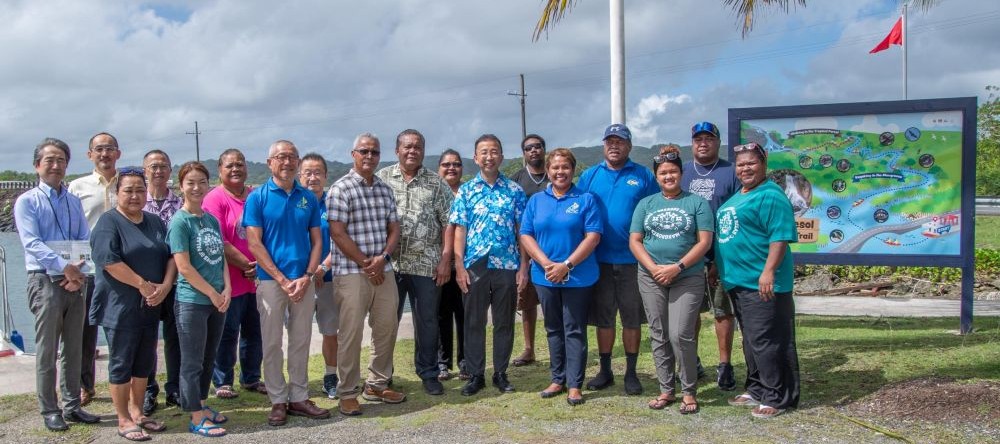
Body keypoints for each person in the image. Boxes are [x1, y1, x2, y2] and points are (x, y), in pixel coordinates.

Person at [14, 138, 101, 431]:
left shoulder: (73, 200)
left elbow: (83, 240)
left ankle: (73, 404)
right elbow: (31, 243)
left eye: (61, 160)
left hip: (76, 281)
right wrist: (63, 266)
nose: (55, 165)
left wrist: (78, 273)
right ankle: (49, 409)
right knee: (47, 349)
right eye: (49, 160)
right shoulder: (27, 201)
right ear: (37, 165)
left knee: (74, 348)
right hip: (45, 280)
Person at [244, 140, 330, 426]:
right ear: (270, 162)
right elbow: (255, 244)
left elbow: (317, 240)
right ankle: (278, 400)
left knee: (301, 340)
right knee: (271, 343)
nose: (287, 162)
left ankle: (299, 396)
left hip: (303, 281)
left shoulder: (308, 197)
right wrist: (281, 279)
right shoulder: (258, 197)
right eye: (281, 157)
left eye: (292, 157)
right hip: (271, 282)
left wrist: (307, 275)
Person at [90, 167, 175, 441]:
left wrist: (164, 286)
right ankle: (123, 418)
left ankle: (138, 412)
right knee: (121, 362)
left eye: (140, 189)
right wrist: (142, 284)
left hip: (150, 305)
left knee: (145, 361)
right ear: (117, 193)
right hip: (120, 307)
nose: (135, 195)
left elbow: (171, 256)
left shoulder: (154, 221)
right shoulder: (108, 222)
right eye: (128, 190)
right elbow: (110, 262)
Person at [716, 142, 800, 419]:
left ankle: (776, 396)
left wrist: (768, 271)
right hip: (737, 281)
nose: (745, 168)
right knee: (750, 340)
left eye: (751, 163)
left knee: (767, 340)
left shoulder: (771, 195)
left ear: (763, 164)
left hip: (761, 282)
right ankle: (756, 387)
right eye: (740, 164)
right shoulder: (740, 195)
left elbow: (780, 236)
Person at [629, 146, 714, 414]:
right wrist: (654, 267)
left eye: (673, 171)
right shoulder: (646, 204)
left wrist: (677, 267)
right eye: (663, 172)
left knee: (681, 334)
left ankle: (689, 391)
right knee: (659, 333)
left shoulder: (696, 203)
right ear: (656, 176)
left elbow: (705, 242)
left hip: (686, 276)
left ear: (681, 173)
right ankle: (666, 389)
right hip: (651, 276)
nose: (668, 176)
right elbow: (635, 240)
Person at [577, 124, 658, 395]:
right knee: (604, 319)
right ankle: (605, 370)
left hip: (633, 260)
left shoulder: (643, 175)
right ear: (603, 145)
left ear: (629, 146)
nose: (614, 146)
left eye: (620, 141)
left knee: (631, 319)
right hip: (598, 260)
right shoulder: (590, 176)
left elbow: (655, 212)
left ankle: (632, 373)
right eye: (610, 141)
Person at [328, 133, 405, 416]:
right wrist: (365, 263)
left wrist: (382, 258)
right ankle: (347, 391)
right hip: (351, 273)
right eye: (364, 151)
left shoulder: (385, 189)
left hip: (383, 270)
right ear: (353, 154)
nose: (370, 156)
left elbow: (394, 228)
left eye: (374, 152)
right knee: (351, 333)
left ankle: (376, 384)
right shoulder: (340, 189)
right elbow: (337, 232)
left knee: (386, 328)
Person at [519, 148, 601, 406]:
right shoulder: (536, 201)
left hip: (578, 277)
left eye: (565, 167)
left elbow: (593, 236)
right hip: (544, 277)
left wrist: (566, 264)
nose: (560, 172)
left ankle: (574, 384)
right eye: (555, 168)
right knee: (553, 328)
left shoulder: (586, 199)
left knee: (574, 329)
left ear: (573, 170)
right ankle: (558, 378)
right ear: (548, 170)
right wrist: (545, 264)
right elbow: (526, 234)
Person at [376, 129, 454, 396]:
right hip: (390, 266)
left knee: (427, 321)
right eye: (407, 147)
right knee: (386, 321)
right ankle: (381, 375)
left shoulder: (436, 183)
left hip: (427, 265)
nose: (412, 151)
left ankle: (429, 372)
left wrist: (446, 260)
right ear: (397, 150)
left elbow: (449, 224)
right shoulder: (382, 178)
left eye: (418, 147)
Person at [450, 134, 528, 396]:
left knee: (504, 320)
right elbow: (459, 230)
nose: (489, 157)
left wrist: (523, 266)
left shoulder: (514, 191)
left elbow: (521, 231)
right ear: (475, 158)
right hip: (475, 264)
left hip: (507, 263)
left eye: (494, 151)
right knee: (474, 321)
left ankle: (500, 373)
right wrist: (459, 265)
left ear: (501, 157)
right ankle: (475, 374)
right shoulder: (466, 191)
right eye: (483, 152)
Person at [167, 162, 230, 437]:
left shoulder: (210, 219)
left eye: (201, 182)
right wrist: (213, 293)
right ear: (181, 186)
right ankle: (195, 417)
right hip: (192, 300)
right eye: (190, 182)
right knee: (191, 361)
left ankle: (203, 406)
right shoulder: (180, 222)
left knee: (208, 357)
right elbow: (184, 268)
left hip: (217, 300)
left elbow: (221, 258)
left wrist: (226, 289)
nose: (196, 187)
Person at [680, 121, 742, 391]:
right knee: (689, 312)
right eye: (698, 139)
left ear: (718, 142)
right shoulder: (682, 172)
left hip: (722, 253)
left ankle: (725, 364)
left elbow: (739, 212)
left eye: (708, 138)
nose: (702, 143)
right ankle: (691, 360)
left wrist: (719, 257)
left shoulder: (731, 172)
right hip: (688, 255)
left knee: (722, 311)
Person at [203, 149, 266, 399]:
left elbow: (265, 233)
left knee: (255, 331)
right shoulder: (214, 199)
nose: (235, 169)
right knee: (227, 333)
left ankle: (251, 378)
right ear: (220, 170)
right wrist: (248, 265)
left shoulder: (254, 196)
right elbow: (219, 240)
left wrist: (260, 266)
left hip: (258, 279)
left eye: (240, 164)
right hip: (229, 279)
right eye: (230, 166)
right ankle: (222, 380)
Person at [68, 131, 120, 407]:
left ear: (118, 153)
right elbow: (71, 231)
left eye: (110, 148)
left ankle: (123, 384)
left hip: (123, 270)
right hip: (89, 269)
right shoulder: (78, 188)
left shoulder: (128, 183)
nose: (105, 154)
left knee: (122, 330)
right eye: (99, 149)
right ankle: (84, 386)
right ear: (90, 155)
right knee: (85, 332)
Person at [141, 150, 183, 415]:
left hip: (176, 282)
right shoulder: (134, 202)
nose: (158, 171)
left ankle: (175, 388)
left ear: (170, 170)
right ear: (145, 170)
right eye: (153, 167)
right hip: (143, 283)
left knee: (175, 338)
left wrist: (169, 281)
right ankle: (147, 389)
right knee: (145, 339)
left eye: (163, 166)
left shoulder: (180, 204)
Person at [298, 153, 340, 399]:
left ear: (325, 176)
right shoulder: (294, 204)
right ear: (299, 175)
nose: (312, 177)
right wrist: (307, 273)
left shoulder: (333, 203)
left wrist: (321, 268)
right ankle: (298, 381)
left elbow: (341, 239)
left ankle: (330, 376)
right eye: (307, 173)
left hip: (328, 277)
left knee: (330, 331)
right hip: (299, 281)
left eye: (317, 173)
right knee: (298, 333)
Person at [508, 134, 549, 368]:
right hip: (523, 251)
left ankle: (560, 345)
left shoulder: (553, 175)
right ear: (523, 152)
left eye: (537, 147)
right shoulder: (516, 180)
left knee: (555, 301)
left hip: (552, 249)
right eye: (528, 148)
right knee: (527, 302)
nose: (533, 151)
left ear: (544, 149)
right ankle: (529, 349)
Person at [435, 149, 468, 381]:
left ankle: (466, 362)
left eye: (456, 164)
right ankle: (442, 363)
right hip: (438, 265)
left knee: (465, 315)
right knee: (440, 316)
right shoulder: (433, 192)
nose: (451, 168)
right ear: (439, 168)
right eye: (446, 164)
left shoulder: (467, 193)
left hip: (466, 265)